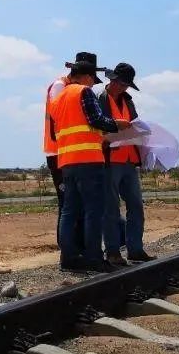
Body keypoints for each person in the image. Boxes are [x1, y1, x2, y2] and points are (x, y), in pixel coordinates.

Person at [49, 53, 130, 272]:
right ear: (85, 77)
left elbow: (56, 133)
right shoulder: (83, 92)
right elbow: (96, 119)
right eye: (93, 79)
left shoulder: (57, 100)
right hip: (88, 160)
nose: (93, 84)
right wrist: (117, 124)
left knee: (69, 211)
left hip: (67, 161)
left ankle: (68, 259)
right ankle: (94, 258)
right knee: (94, 211)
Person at [42, 52, 102, 249]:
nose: (92, 84)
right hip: (60, 152)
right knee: (67, 204)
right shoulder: (61, 87)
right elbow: (63, 117)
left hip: (69, 151)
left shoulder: (69, 87)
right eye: (92, 78)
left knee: (75, 205)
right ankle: (68, 247)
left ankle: (75, 247)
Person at [100, 63, 155, 265]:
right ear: (112, 80)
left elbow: (135, 126)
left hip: (129, 160)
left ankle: (135, 249)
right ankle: (113, 252)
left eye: (126, 86)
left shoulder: (128, 101)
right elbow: (97, 128)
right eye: (122, 84)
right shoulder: (99, 99)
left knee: (136, 206)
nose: (123, 89)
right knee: (111, 209)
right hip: (110, 160)